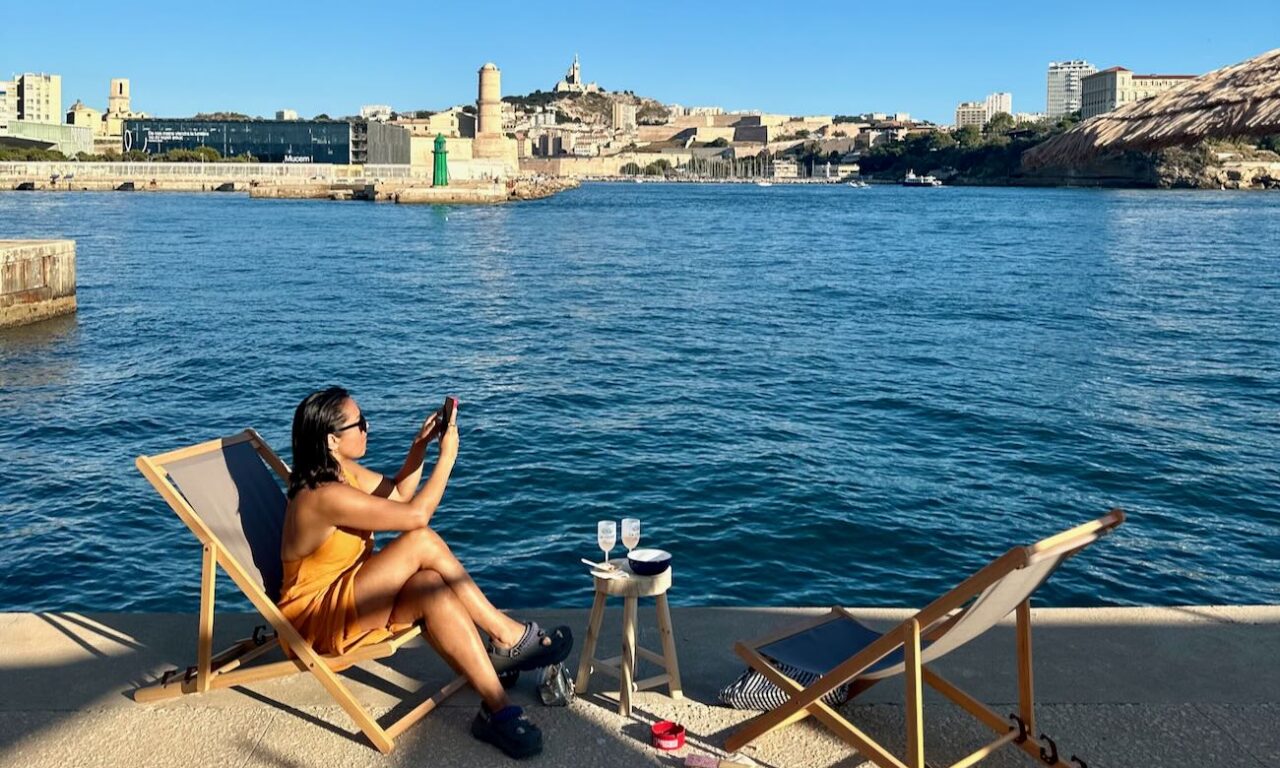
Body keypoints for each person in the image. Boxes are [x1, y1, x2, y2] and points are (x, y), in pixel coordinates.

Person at [278, 386, 572, 759]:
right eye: (360, 423)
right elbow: (415, 517)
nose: (368, 428)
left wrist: (420, 447)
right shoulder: (323, 496)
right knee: (421, 540)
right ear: (333, 439)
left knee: (431, 585)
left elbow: (399, 495)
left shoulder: (340, 470)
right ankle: (505, 635)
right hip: (319, 617)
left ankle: (498, 709)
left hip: (354, 593)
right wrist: (447, 459)